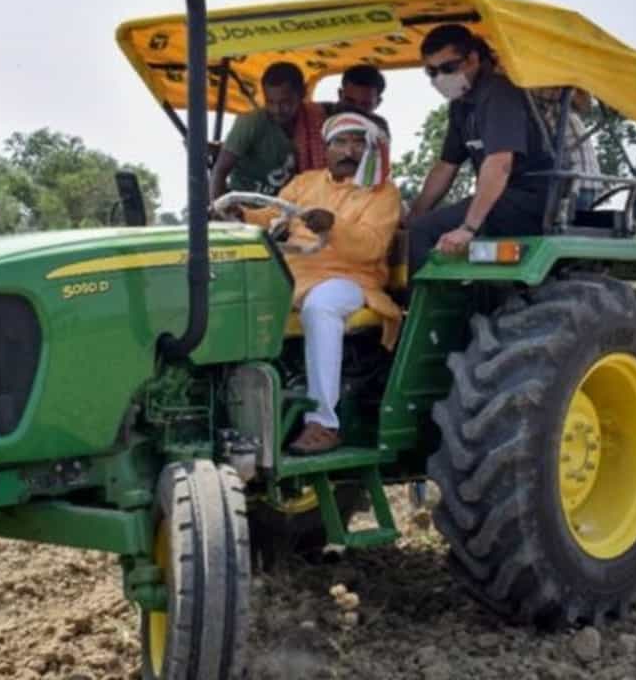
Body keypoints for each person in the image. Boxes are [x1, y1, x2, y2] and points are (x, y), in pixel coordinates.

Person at [229, 112, 401, 455]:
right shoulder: (305, 184)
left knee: (321, 305)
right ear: (327, 149)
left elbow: (371, 247)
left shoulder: (382, 192)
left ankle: (324, 422)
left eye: (357, 142)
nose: (348, 150)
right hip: (292, 276)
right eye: (340, 142)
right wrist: (242, 216)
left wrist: (332, 226)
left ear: (369, 148)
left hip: (352, 280)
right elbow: (270, 216)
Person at [405, 24, 554, 271]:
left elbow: (500, 162)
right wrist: (413, 215)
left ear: (472, 59)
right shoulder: (461, 104)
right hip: (502, 198)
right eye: (431, 72)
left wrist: (468, 228)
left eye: (448, 68)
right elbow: (445, 166)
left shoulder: (499, 93)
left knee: (423, 233)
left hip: (529, 199)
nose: (439, 78)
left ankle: (423, 308)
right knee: (415, 227)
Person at [209, 62, 328, 201]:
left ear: (302, 93)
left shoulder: (317, 119)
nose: (277, 110)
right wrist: (220, 213)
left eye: (285, 102)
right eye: (270, 102)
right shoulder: (250, 123)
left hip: (289, 209)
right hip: (245, 209)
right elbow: (220, 171)